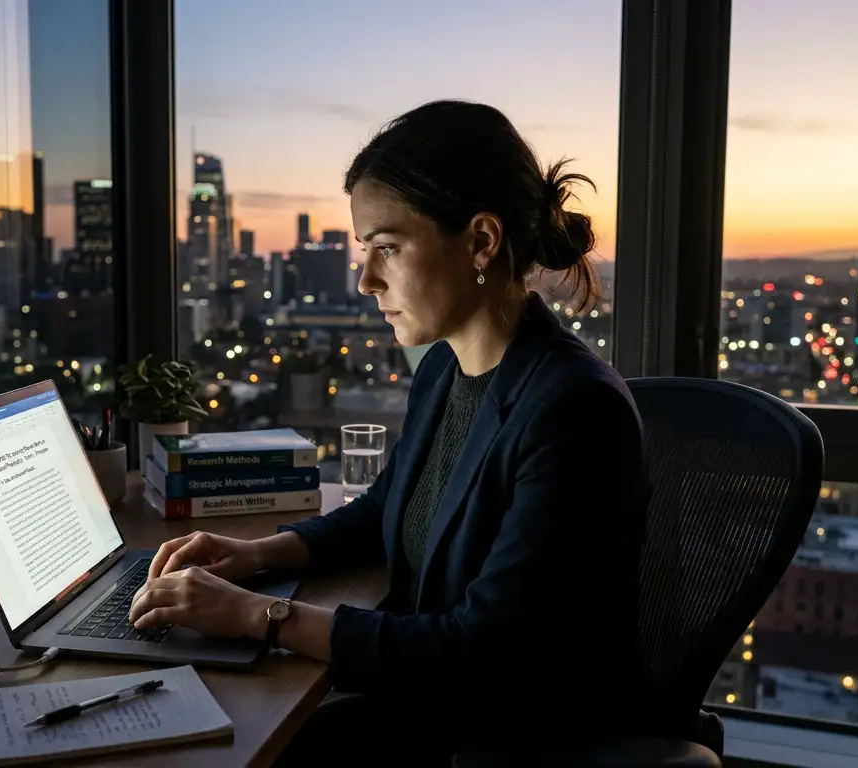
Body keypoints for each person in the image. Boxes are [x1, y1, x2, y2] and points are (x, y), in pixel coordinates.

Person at [129, 100, 655, 765]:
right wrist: (257, 555)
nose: (366, 280)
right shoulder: (445, 368)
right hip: (437, 706)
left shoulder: (575, 411)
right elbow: (390, 504)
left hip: (515, 738)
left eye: (387, 248)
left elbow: (480, 653)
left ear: (481, 243)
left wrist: (257, 616)